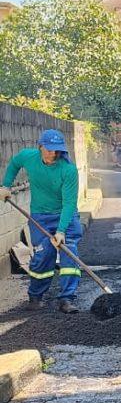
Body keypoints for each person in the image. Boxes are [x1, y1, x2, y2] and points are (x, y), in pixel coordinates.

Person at [0, 129, 82, 313]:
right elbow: (14, 164)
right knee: (43, 255)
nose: (53, 153)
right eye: (49, 149)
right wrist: (6, 185)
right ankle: (35, 297)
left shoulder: (68, 170)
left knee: (69, 253)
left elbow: (69, 203)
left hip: (65, 216)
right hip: (40, 217)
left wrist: (61, 231)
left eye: (57, 149)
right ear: (40, 147)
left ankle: (67, 299)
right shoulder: (28, 157)